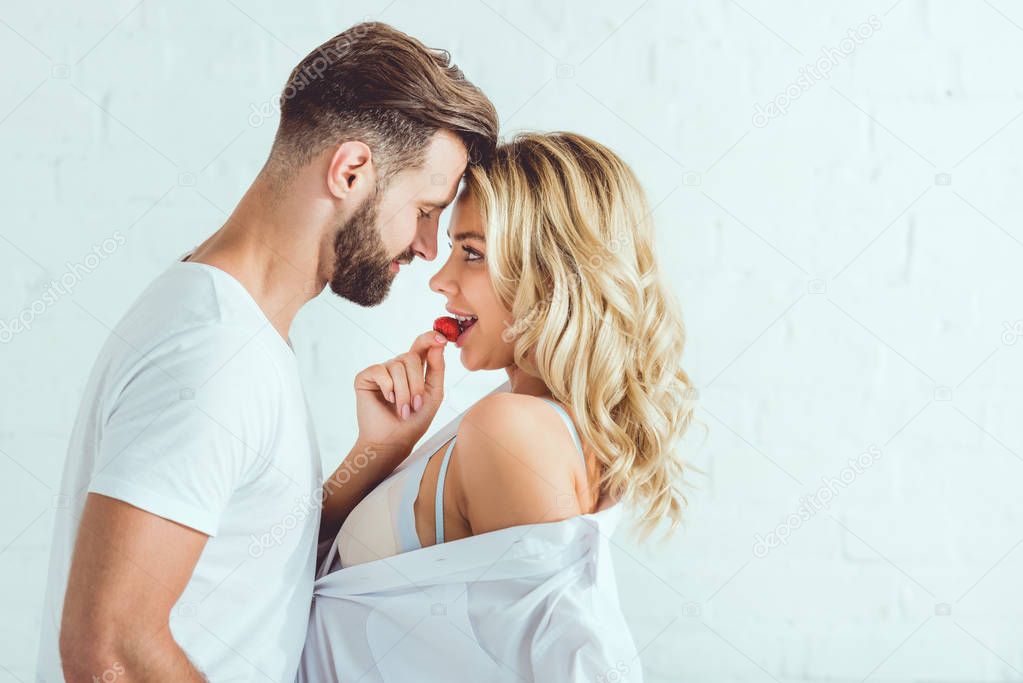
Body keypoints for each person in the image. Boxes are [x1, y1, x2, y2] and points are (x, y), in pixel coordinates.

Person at [37, 22, 497, 682]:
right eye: (425, 209)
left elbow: (246, 559)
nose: (427, 247)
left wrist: (380, 451)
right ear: (350, 171)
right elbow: (107, 648)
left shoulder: (236, 332)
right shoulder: (211, 351)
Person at [303, 132, 697, 682]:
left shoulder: (511, 430)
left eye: (472, 253)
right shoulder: (517, 414)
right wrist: (382, 448)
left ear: (553, 271)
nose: (440, 280)